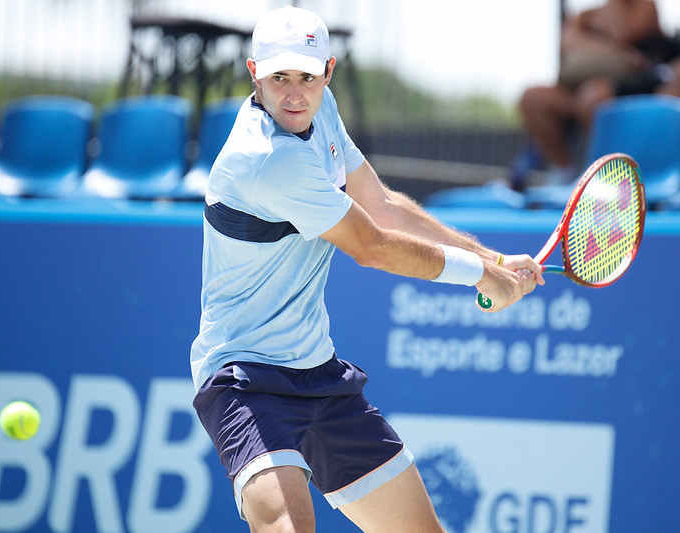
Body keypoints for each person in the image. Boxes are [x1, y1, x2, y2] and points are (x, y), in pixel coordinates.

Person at [190, 6, 543, 532]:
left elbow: (383, 205)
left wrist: (492, 260)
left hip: (319, 373)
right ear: (252, 72)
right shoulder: (268, 159)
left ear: (328, 73)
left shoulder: (320, 109)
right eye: (278, 77)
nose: (293, 93)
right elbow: (372, 246)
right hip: (247, 381)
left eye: (307, 77)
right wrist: (480, 276)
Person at [515, 0, 666, 189]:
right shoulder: (588, 14)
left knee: (593, 96)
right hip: (578, 87)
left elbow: (623, 33)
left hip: (632, 88)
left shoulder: (644, 5)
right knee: (533, 98)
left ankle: (603, 177)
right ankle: (567, 174)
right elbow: (567, 41)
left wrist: (591, 36)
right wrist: (608, 47)